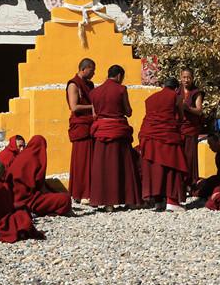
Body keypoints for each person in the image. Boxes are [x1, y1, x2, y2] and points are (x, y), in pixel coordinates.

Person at [88, 64, 141, 210]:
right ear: (119, 76)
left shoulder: (94, 92)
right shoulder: (121, 89)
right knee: (124, 165)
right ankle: (129, 200)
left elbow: (94, 115)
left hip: (102, 131)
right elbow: (128, 111)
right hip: (118, 131)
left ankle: (107, 203)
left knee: (103, 167)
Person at [138, 77, 189, 211]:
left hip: (149, 134)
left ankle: (158, 200)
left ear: (163, 86)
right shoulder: (176, 96)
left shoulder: (151, 98)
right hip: (167, 135)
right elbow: (181, 116)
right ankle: (172, 201)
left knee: (155, 168)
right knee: (173, 166)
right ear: (177, 88)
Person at [6, 135, 72, 216]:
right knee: (65, 200)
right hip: (28, 200)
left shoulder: (19, 157)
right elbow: (39, 185)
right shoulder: (36, 159)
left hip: (10, 198)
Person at [66, 58, 96, 203]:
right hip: (81, 125)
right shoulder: (73, 84)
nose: (94, 73)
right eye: (92, 70)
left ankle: (89, 191)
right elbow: (74, 107)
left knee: (90, 160)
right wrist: (93, 108)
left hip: (91, 124)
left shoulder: (89, 84)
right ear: (84, 68)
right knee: (81, 161)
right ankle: (80, 193)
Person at [177, 68, 204, 189]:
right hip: (179, 127)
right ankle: (180, 182)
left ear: (192, 78)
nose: (186, 80)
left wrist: (186, 108)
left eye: (188, 77)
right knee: (179, 156)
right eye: (184, 77)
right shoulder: (177, 91)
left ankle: (190, 182)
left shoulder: (196, 93)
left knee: (190, 156)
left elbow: (199, 111)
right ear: (180, 77)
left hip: (191, 128)